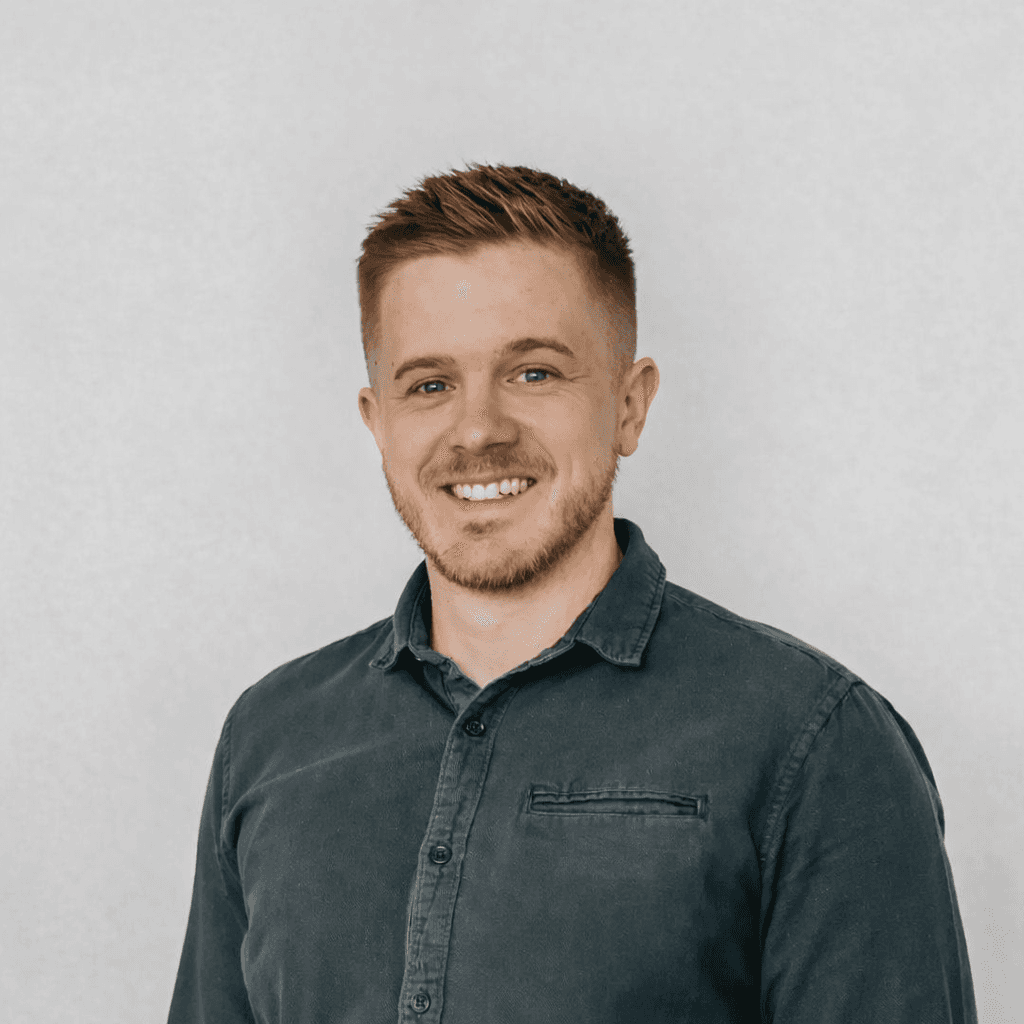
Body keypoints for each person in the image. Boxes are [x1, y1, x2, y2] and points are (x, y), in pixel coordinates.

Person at [168, 165, 977, 1023]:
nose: (477, 430)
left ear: (630, 405)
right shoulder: (271, 738)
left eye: (534, 373)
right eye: (430, 385)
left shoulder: (815, 743)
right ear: (379, 423)